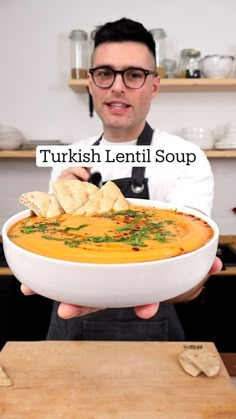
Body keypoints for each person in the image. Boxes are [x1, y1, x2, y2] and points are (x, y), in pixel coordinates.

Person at [22, 17, 222, 341]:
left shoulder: (187, 157)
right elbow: (56, 255)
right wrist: (60, 216)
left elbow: (192, 277)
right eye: (105, 73)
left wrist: (126, 290)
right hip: (71, 319)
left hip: (154, 325)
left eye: (133, 75)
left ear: (154, 86)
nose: (117, 86)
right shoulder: (70, 159)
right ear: (90, 83)